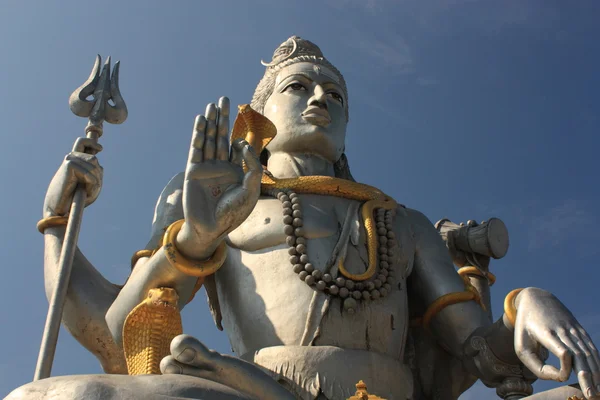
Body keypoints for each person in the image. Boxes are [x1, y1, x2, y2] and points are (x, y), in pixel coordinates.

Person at [12, 36, 598, 400]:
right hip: (258, 390)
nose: (321, 100)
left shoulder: (404, 224)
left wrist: (529, 304)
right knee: (66, 396)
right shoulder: (221, 198)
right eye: (300, 87)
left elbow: (484, 356)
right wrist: (188, 237)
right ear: (260, 114)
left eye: (335, 95)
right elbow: (114, 340)